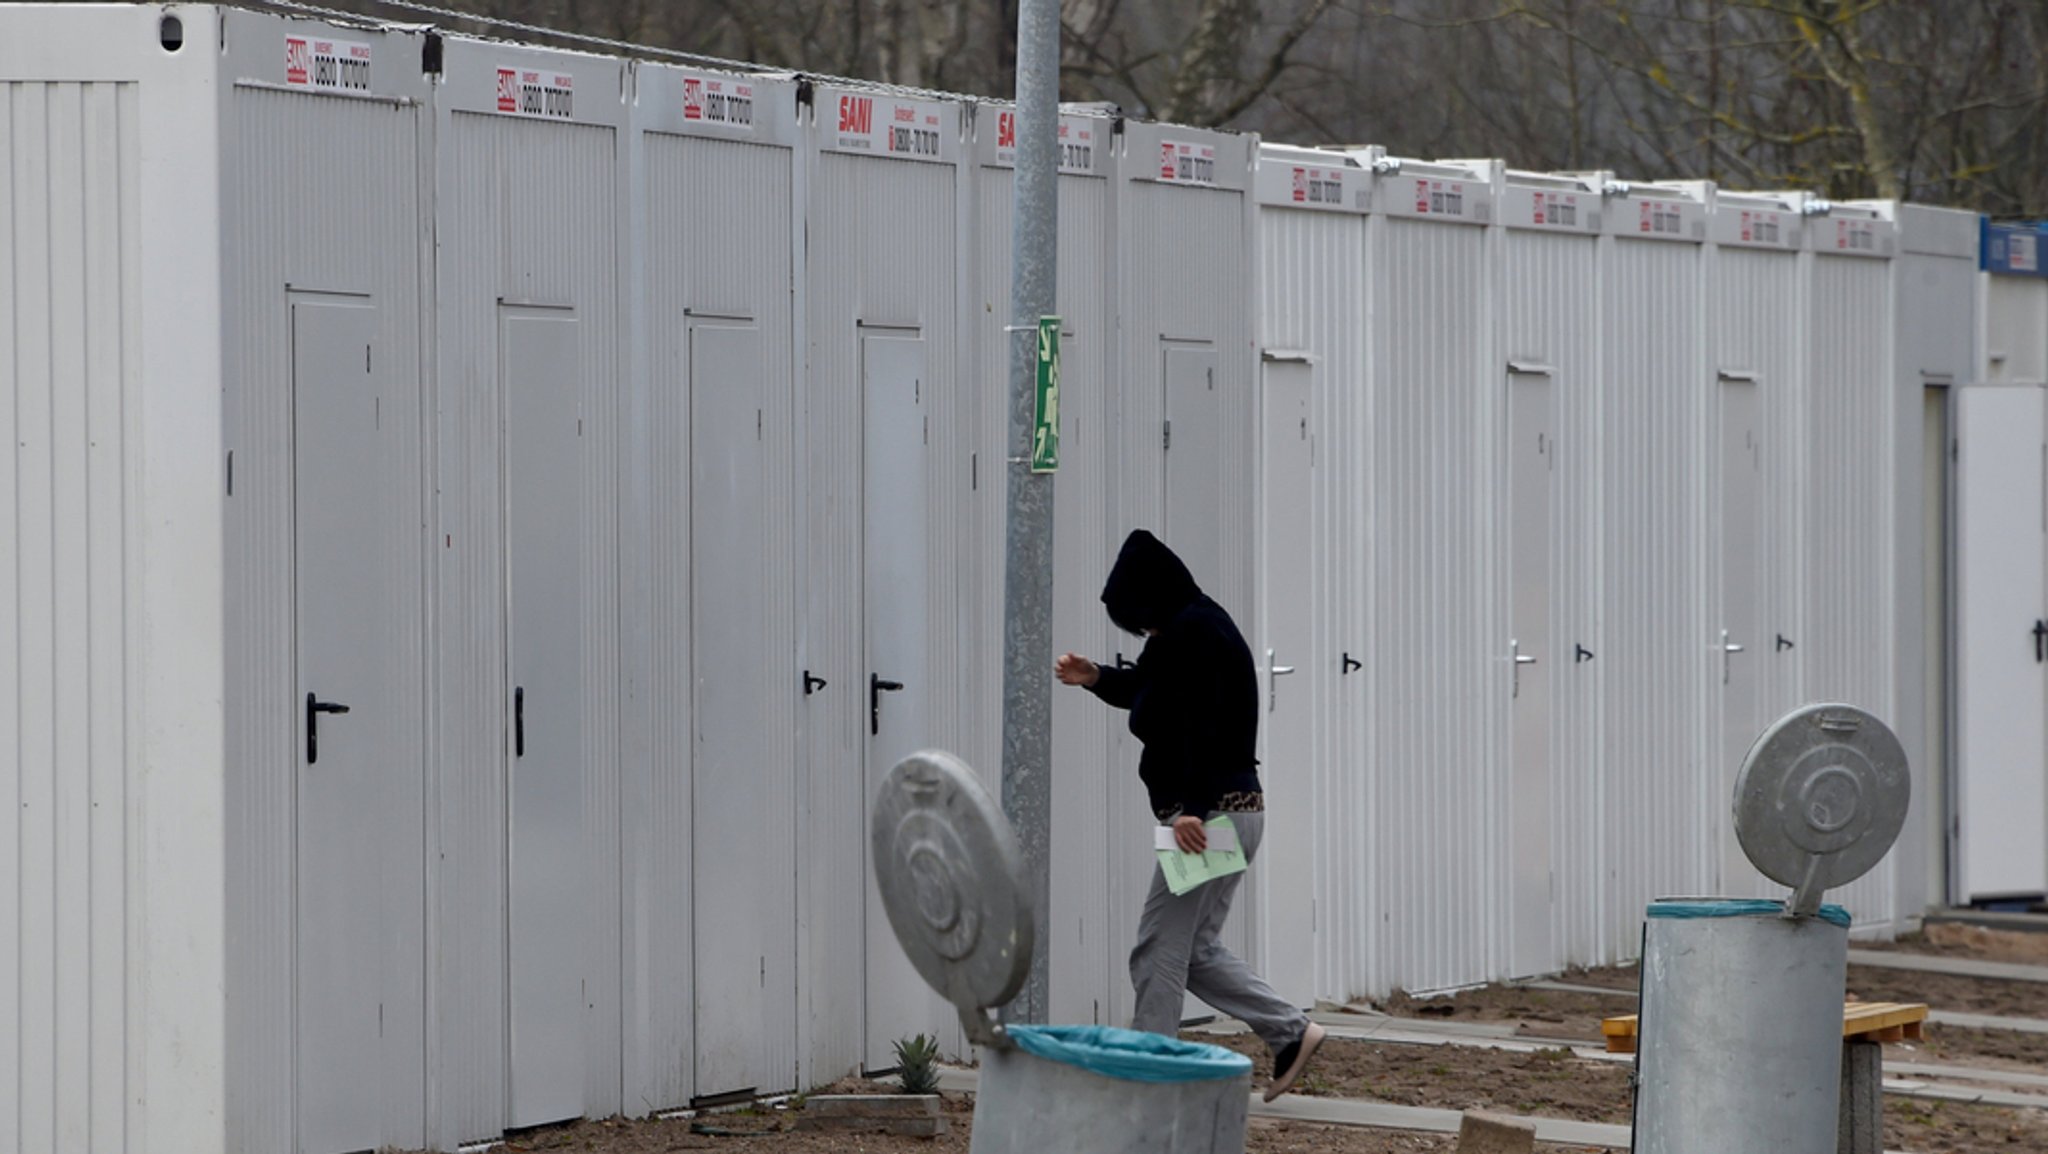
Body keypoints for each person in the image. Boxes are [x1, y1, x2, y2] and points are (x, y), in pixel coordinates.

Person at [1054, 529, 1325, 1101]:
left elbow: (1203, 726)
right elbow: (1156, 692)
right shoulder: (1194, 623)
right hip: (1234, 811)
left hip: (1210, 817)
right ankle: (1291, 1033)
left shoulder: (1193, 633)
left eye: (1137, 619)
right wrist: (1097, 677)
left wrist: (1188, 810)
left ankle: (1146, 1080)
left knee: (1158, 947)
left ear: (1148, 599)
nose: (1141, 632)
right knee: (1195, 951)